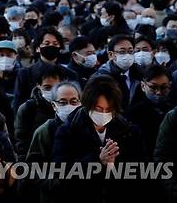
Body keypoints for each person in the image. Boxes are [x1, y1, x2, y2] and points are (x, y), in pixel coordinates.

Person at [52, 74, 144, 203]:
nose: (104, 114)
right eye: (98, 109)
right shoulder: (68, 131)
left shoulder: (128, 131)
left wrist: (114, 165)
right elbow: (61, 172)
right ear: (87, 105)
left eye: (109, 110)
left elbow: (139, 172)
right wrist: (97, 160)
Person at [25, 81, 82, 203]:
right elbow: (32, 167)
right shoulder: (44, 131)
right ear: (54, 105)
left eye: (73, 101)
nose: (69, 106)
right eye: (62, 102)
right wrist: (55, 183)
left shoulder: (89, 128)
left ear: (80, 103)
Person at [13, 27, 78, 111]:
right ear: (38, 48)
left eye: (55, 44)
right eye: (46, 43)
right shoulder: (25, 74)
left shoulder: (70, 74)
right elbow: (18, 104)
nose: (51, 46)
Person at [14, 64, 61, 160]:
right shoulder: (27, 109)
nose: (52, 91)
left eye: (56, 87)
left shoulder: (69, 108)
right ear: (38, 86)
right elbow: (22, 143)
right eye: (47, 87)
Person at [125, 64, 173, 156]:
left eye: (163, 88)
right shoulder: (133, 113)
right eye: (153, 87)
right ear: (143, 86)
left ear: (169, 86)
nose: (158, 92)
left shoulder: (174, 111)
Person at [90, 34, 144, 110]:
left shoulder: (140, 73)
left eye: (130, 51)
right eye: (122, 52)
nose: (127, 55)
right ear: (111, 55)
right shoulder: (101, 78)